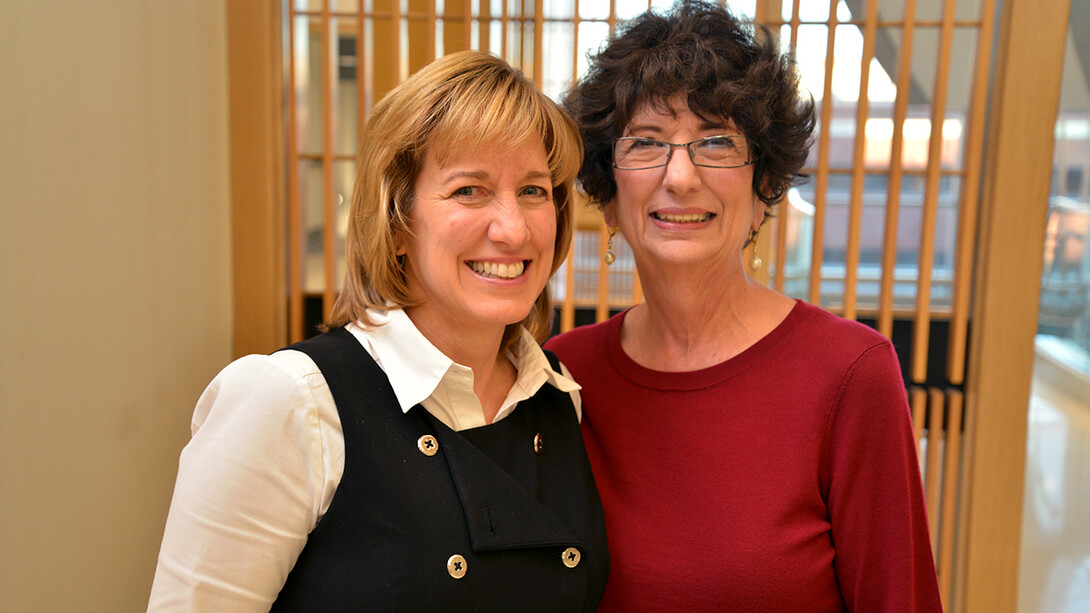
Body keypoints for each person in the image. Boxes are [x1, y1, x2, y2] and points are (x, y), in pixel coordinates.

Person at [148, 50, 608, 612]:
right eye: (469, 190)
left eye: (534, 191)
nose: (512, 229)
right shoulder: (291, 401)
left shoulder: (559, 398)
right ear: (395, 223)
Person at [544, 2, 942, 611]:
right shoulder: (561, 376)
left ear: (763, 192)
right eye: (647, 143)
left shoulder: (849, 373)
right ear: (609, 194)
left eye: (715, 142)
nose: (679, 176)